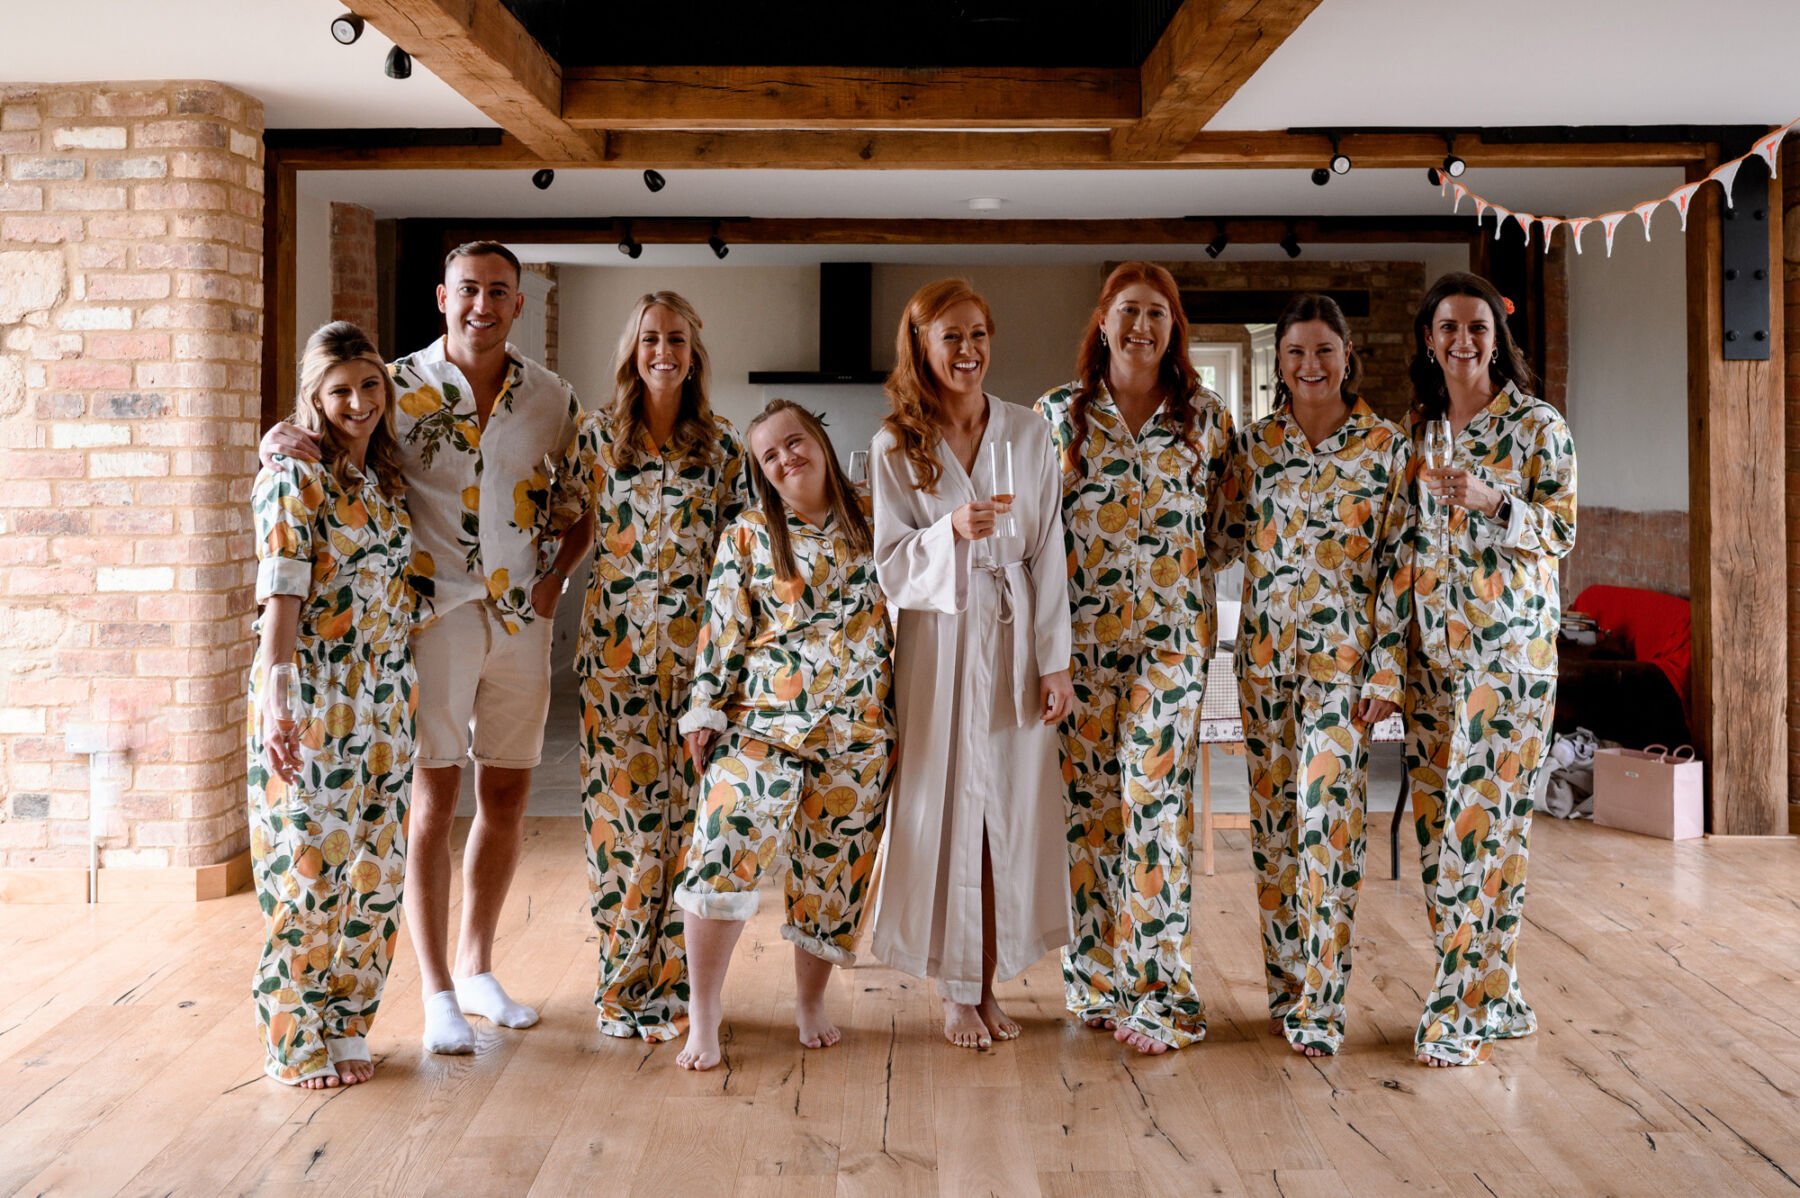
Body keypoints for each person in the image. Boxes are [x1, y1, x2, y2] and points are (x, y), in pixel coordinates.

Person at [260, 242, 592, 1055]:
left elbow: (582, 502)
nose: (483, 305)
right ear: (444, 296)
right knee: (433, 803)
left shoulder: (552, 397)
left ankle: (479, 969)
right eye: (469, 290)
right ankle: (437, 989)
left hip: (520, 622)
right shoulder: (391, 388)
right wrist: (277, 439)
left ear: (519, 303)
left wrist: (552, 586)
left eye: (499, 292)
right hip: (429, 620)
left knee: (507, 798)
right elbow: (331, 439)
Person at [1034, 262, 1241, 1055]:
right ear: (1104, 320)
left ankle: (1161, 997)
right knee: (1091, 819)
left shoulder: (1207, 420)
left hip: (1170, 650)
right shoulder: (1059, 416)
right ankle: (1095, 980)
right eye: (1129, 310)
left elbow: (1224, 528)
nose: (1142, 326)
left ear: (1174, 328)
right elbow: (1037, 536)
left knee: (1153, 813)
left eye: (1157, 313)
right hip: (1076, 649)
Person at [868, 278, 1075, 1050]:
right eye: (951, 336)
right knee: (945, 807)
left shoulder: (1028, 431)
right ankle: (954, 990)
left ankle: (984, 982)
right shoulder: (898, 444)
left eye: (979, 334)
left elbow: (1049, 547)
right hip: (939, 640)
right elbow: (888, 565)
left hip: (1015, 633)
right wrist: (948, 531)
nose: (968, 350)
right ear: (920, 345)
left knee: (1006, 814)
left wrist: (1054, 661)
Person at [672, 399, 894, 1071]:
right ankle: (704, 1014)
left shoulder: (881, 519)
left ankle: (809, 1004)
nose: (786, 458)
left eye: (793, 442)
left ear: (820, 439)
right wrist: (705, 709)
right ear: (761, 471)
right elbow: (722, 629)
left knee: (834, 876)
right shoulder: (747, 533)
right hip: (762, 725)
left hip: (858, 730)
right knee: (722, 846)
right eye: (770, 455)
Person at [553, 292, 749, 1042]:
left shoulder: (724, 448)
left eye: (676, 339)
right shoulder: (597, 438)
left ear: (694, 352)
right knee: (626, 831)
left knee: (692, 833)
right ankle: (624, 987)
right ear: (631, 352)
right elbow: (566, 518)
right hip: (616, 668)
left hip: (703, 674)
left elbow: (744, 561)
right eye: (649, 340)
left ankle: (680, 990)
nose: (663, 351)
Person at [1402, 272, 1576, 1067]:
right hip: (1433, 658)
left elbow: (1562, 531)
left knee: (1480, 828)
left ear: (1496, 338)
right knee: (1452, 833)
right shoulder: (1422, 427)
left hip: (1507, 658)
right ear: (1429, 339)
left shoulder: (1539, 425)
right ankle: (1496, 991)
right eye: (1448, 327)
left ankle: (1454, 1012)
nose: (1463, 341)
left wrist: (1493, 500)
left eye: (1477, 327)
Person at [1235, 293, 1410, 1058]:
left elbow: (1401, 568)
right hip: (1263, 666)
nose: (1311, 366)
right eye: (1296, 353)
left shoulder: (1387, 448)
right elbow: (1215, 539)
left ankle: (1323, 1003)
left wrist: (1387, 672)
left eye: (1324, 351)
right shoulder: (1252, 448)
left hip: (1344, 672)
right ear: (1279, 362)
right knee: (1275, 835)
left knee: (1329, 830)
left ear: (1348, 357)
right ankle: (1285, 990)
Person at [248, 322, 414, 1088]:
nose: (358, 402)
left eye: (370, 385)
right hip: (316, 692)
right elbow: (282, 590)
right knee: (311, 870)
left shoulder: (381, 482)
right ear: (315, 396)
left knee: (377, 874)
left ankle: (348, 1020)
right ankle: (294, 1034)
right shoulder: (294, 474)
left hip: (386, 701)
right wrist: (278, 701)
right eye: (340, 389)